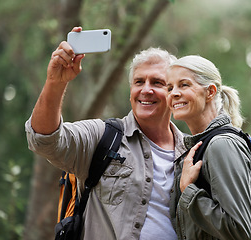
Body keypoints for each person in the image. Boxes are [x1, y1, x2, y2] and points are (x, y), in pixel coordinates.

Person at [25, 26, 186, 240]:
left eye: (157, 82)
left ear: (173, 92)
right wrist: (56, 82)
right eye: (139, 82)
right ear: (131, 91)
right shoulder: (103, 136)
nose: (145, 90)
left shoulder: (191, 151)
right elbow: (43, 139)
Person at [166, 55, 251, 240]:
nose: (173, 94)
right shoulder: (203, 146)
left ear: (210, 92)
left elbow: (240, 231)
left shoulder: (221, 145)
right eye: (170, 88)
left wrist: (189, 191)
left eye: (184, 85)